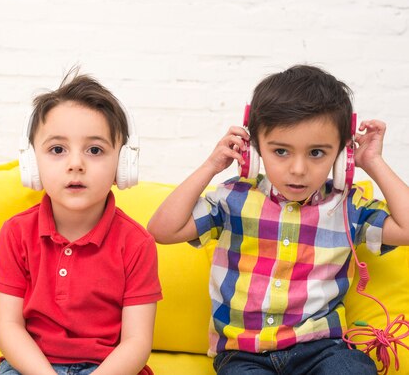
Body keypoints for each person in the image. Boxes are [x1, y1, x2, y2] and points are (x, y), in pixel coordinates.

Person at [147, 65, 409, 375]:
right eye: (281, 151)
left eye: (316, 153)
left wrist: (373, 162)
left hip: (322, 350)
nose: (298, 169)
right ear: (255, 150)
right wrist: (211, 166)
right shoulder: (233, 199)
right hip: (244, 355)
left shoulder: (347, 207)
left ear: (341, 156)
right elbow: (162, 230)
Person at [0, 70, 162, 375]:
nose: (75, 164)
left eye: (95, 150)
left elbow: (136, 341)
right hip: (32, 367)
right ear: (32, 163)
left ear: (123, 164)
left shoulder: (137, 242)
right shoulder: (16, 233)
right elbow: (9, 326)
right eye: (57, 149)